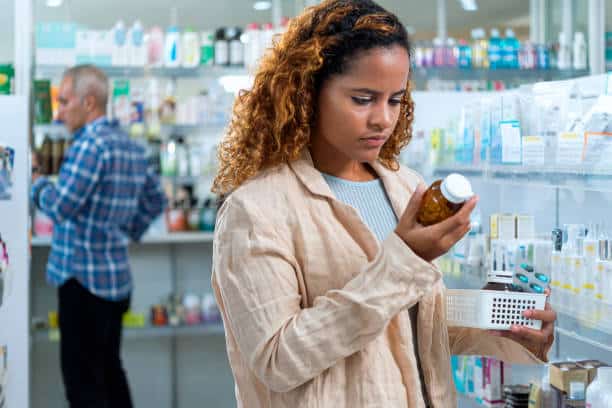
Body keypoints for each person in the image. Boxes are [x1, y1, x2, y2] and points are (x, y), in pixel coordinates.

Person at [211, 1, 557, 407]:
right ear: (308, 92)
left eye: (395, 100)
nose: (383, 119)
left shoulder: (405, 186)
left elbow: (406, 329)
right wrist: (405, 259)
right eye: (362, 99)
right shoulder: (256, 211)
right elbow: (278, 360)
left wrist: (503, 327)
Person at [31, 65, 166, 408]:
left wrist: (35, 184)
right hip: (115, 281)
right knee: (109, 371)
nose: (59, 111)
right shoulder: (128, 145)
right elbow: (156, 199)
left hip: (83, 282)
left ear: (88, 102)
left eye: (63, 102)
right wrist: (126, 228)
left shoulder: (89, 145)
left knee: (83, 383)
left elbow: (61, 206)